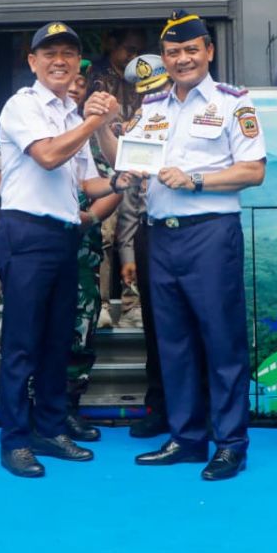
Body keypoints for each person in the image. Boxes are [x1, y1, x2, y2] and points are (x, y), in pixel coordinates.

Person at [114, 11, 266, 482]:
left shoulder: (232, 104)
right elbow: (131, 162)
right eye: (174, 52)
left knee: (221, 342)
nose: (183, 59)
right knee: (174, 343)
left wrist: (196, 179)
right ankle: (185, 437)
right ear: (164, 58)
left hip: (210, 235)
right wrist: (122, 169)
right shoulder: (154, 107)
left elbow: (254, 170)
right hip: (162, 236)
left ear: (209, 52)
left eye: (191, 50)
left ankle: (230, 444)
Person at [0, 21, 131, 478]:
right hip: (26, 233)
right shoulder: (21, 106)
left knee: (56, 342)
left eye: (68, 54)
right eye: (49, 53)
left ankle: (49, 429)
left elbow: (83, 182)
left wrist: (119, 180)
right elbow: (49, 156)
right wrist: (95, 120)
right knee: (21, 345)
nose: (59, 61)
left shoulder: (73, 118)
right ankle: (14, 440)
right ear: (32, 62)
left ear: (77, 63)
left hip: (63, 234)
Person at [114, 53, 172, 438]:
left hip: (193, 232)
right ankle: (160, 408)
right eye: (146, 92)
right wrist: (128, 253)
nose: (155, 96)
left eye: (161, 87)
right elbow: (130, 195)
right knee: (155, 326)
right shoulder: (139, 126)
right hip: (150, 234)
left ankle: (205, 408)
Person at [63, 68, 124, 442]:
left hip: (83, 250)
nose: (72, 89)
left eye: (79, 86)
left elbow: (118, 181)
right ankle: (35, 410)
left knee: (81, 333)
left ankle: (69, 410)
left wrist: (90, 218)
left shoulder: (98, 134)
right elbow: (2, 178)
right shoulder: (36, 120)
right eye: (67, 83)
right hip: (42, 246)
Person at [88, 28, 147, 329]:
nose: (132, 57)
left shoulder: (142, 79)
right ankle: (99, 306)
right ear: (111, 44)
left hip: (136, 168)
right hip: (102, 169)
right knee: (105, 235)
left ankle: (132, 305)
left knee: (130, 236)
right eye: (128, 49)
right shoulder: (93, 77)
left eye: (137, 51)